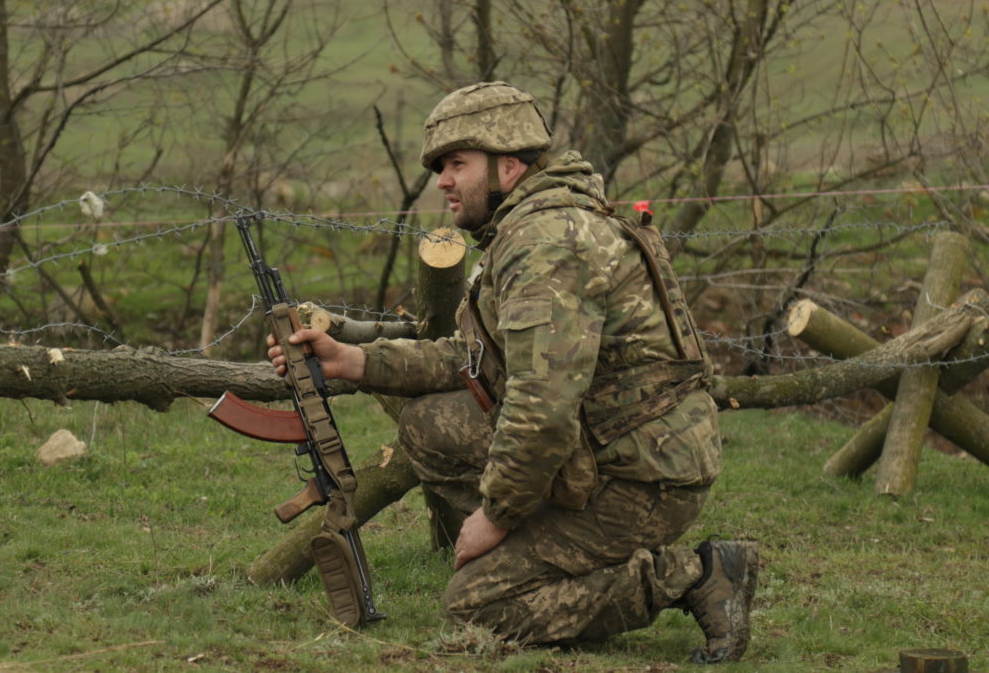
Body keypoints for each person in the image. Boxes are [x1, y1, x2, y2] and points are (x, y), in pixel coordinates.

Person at [268, 82, 759, 663]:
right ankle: (539, 543)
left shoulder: (545, 243)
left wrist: (496, 516)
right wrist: (356, 361)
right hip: (605, 447)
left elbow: (541, 407)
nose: (442, 181)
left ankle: (693, 575)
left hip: (644, 477)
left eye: (457, 164)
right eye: (439, 167)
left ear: (508, 164)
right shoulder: (527, 229)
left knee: (476, 606)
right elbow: (476, 361)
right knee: (428, 425)